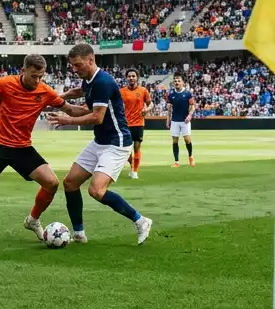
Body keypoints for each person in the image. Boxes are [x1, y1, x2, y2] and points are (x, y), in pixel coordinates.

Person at [0, 53, 91, 248]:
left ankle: (33, 220)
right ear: (24, 70)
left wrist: (95, 107)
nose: (37, 80)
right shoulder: (7, 83)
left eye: (41, 76)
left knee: (52, 183)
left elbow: (71, 110)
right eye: (34, 76)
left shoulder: (45, 91)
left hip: (22, 147)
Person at [48, 43, 152, 244]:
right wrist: (61, 97)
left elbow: (97, 117)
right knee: (70, 183)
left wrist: (67, 119)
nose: (74, 69)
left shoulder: (103, 82)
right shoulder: (89, 80)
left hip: (117, 142)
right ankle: (78, 234)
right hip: (100, 141)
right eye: (72, 65)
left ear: (91, 60)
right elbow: (81, 91)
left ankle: (141, 221)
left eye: (78, 65)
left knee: (96, 190)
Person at [120, 70, 150, 179]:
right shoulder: (121, 91)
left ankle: (135, 172)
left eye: (133, 76)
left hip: (138, 123)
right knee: (125, 151)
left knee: (137, 148)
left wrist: (147, 109)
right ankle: (133, 165)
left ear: (137, 77)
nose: (131, 78)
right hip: (125, 124)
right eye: (129, 76)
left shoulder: (143, 90)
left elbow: (150, 103)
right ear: (126, 78)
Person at [167, 74, 195, 168]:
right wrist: (168, 120)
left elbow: (193, 107)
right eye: (175, 81)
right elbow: (169, 109)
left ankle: (190, 157)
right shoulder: (171, 94)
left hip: (185, 121)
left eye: (179, 81)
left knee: (187, 140)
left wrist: (189, 115)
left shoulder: (188, 94)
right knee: (175, 141)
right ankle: (177, 162)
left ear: (182, 82)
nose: (177, 82)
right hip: (174, 121)